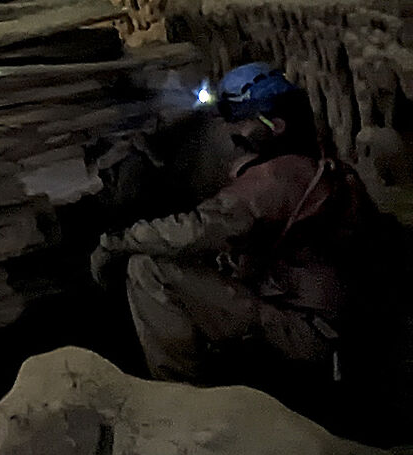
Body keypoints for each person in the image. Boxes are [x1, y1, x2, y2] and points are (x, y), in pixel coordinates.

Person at [92, 62, 363, 389]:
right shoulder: (314, 164)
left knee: (149, 269)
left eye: (241, 122)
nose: (234, 133)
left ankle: (182, 398)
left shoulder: (279, 178)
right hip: (319, 321)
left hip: (304, 332)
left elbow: (197, 229)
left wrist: (117, 242)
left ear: (273, 124)